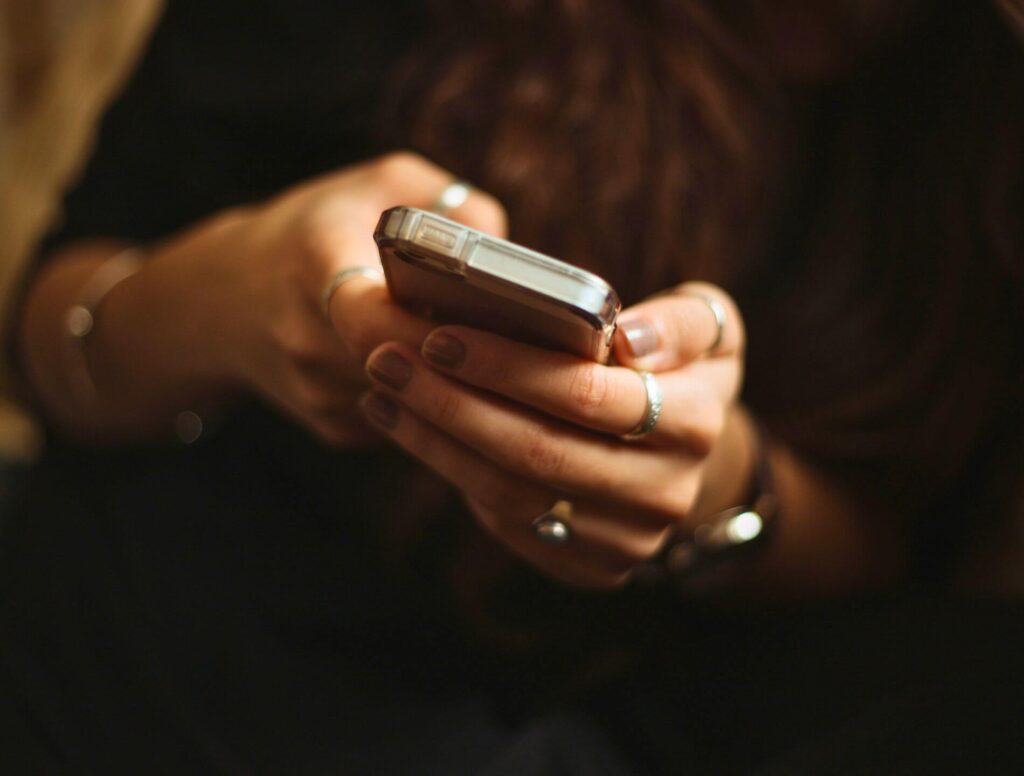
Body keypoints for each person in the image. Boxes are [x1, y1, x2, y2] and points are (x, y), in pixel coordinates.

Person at [2, 1, 1023, 772]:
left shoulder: (986, 103)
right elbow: (39, 343)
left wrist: (717, 487)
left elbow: (912, 574)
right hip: (120, 646)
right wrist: (233, 293)